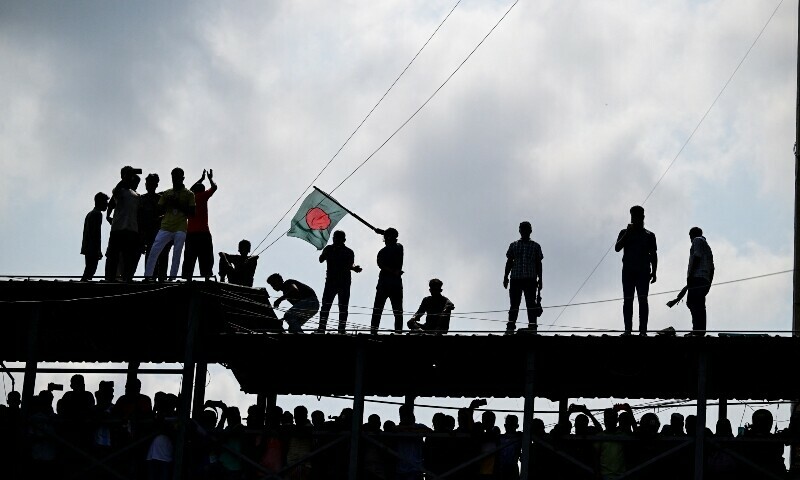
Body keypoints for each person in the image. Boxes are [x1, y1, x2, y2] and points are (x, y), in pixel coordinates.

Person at [144, 167, 196, 281]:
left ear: (182, 178)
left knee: (176, 254)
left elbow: (192, 213)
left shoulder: (189, 194)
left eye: (177, 177)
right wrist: (167, 203)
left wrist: (178, 204)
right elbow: (158, 210)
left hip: (180, 228)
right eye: (173, 177)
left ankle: (172, 278)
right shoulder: (167, 193)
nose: (175, 179)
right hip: (165, 227)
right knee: (154, 251)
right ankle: (148, 277)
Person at [615, 205, 657, 336]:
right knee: (628, 300)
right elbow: (617, 248)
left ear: (642, 217)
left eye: (636, 216)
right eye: (632, 216)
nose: (634, 219)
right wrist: (627, 233)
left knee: (643, 300)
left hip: (643, 272)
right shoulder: (624, 232)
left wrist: (654, 272)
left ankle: (642, 331)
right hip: (628, 271)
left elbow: (653, 255)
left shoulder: (649, 235)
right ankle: (628, 330)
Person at [668, 227, 714, 337]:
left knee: (694, 303)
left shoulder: (697, 240)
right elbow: (712, 268)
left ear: (692, 234)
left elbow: (696, 257)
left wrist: (691, 275)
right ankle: (699, 331)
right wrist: (709, 283)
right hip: (704, 279)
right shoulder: (707, 247)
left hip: (697, 278)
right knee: (698, 304)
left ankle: (697, 331)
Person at [317, 230, 362, 334]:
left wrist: (354, 268)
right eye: (335, 237)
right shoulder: (328, 248)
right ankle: (321, 329)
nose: (335, 239)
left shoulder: (348, 251)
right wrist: (325, 251)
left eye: (338, 238)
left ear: (343, 240)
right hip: (331, 282)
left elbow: (350, 264)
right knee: (326, 306)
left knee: (343, 307)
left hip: (343, 282)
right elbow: (320, 259)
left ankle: (341, 330)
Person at [503, 221, 544, 335]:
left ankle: (532, 327)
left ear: (530, 231)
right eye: (523, 229)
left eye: (527, 229)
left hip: (530, 279)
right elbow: (509, 261)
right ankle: (510, 327)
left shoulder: (535, 246)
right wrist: (506, 276)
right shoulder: (514, 245)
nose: (524, 231)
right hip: (516, 279)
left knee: (531, 304)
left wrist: (540, 279)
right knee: (514, 304)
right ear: (520, 231)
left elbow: (538, 263)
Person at [105, 166, 142, 282]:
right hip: (118, 228)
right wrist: (108, 216)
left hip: (131, 229)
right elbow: (111, 202)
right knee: (113, 256)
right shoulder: (119, 191)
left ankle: (126, 278)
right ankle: (110, 279)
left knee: (128, 256)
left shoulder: (136, 195)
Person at [182, 169, 218, 281]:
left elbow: (190, 189)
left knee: (189, 256)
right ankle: (207, 277)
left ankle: (188, 277)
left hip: (191, 233)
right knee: (206, 256)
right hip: (203, 232)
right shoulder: (203, 196)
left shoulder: (191, 197)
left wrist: (201, 179)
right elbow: (214, 187)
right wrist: (210, 178)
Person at [370, 227, 404, 334]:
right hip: (390, 283)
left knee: (386, 310)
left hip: (388, 283)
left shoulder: (393, 249)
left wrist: (384, 233)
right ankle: (375, 331)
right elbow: (381, 265)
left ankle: (375, 331)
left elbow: (381, 265)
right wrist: (384, 233)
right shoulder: (396, 248)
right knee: (385, 310)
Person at [138, 173, 170, 281]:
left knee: (162, 254)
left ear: (156, 185)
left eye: (152, 183)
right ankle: (149, 277)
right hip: (145, 231)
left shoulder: (161, 199)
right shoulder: (141, 199)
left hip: (159, 231)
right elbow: (139, 216)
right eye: (148, 183)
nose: (149, 185)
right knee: (150, 254)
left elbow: (167, 214)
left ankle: (161, 278)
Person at [81, 192, 109, 281]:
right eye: (105, 202)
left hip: (88, 246)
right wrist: (98, 250)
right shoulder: (97, 214)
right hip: (92, 247)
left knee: (89, 269)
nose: (107, 204)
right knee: (90, 270)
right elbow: (96, 233)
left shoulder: (91, 213)